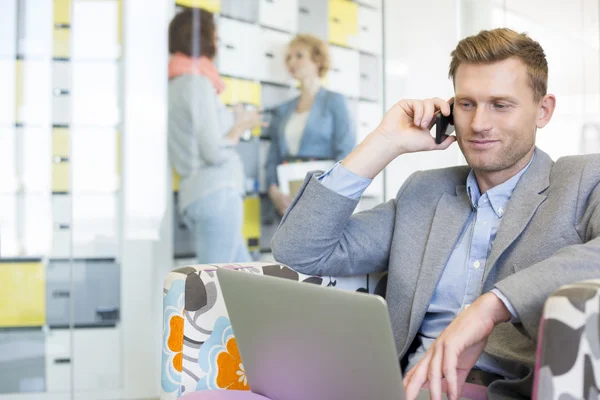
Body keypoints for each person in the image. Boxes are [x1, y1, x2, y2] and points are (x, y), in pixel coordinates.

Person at [272, 28, 600, 400]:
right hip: (403, 388)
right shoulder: (425, 193)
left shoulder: (580, 181)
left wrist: (494, 305)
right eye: (466, 104)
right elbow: (300, 248)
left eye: (500, 104)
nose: (478, 124)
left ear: (543, 110)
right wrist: (383, 142)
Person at [168, 9, 263, 264]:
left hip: (201, 194)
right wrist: (240, 127)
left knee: (244, 278)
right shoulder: (197, 84)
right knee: (212, 286)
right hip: (216, 193)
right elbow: (213, 151)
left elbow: (196, 136)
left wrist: (232, 117)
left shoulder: (178, 82)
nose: (218, 44)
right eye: (216, 37)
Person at [266, 34, 356, 216]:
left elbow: (346, 151)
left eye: (299, 56)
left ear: (317, 60)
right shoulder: (284, 109)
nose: (291, 62)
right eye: (288, 57)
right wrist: (272, 189)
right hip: (289, 194)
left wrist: (331, 191)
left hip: (326, 192)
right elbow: (273, 154)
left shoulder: (334, 101)